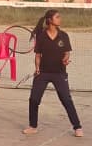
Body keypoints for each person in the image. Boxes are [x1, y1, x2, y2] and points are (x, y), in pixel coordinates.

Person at [23, 9, 83, 137]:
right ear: (50, 20)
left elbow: (67, 52)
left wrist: (65, 59)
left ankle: (77, 127)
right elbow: (38, 55)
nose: (60, 19)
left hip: (59, 73)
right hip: (43, 73)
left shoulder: (64, 36)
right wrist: (37, 68)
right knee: (34, 99)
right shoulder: (41, 36)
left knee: (66, 99)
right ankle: (33, 126)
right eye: (57, 17)